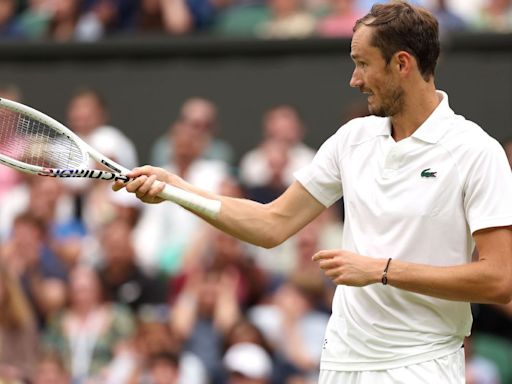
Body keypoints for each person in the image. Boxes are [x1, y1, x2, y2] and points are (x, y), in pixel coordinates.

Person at [115, 1, 512, 383]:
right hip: (342, 357)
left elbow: (500, 279)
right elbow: (271, 224)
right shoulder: (351, 140)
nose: (354, 80)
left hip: (421, 362)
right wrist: (177, 189)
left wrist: (382, 270)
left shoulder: (475, 152)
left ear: (402, 64)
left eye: (362, 64)